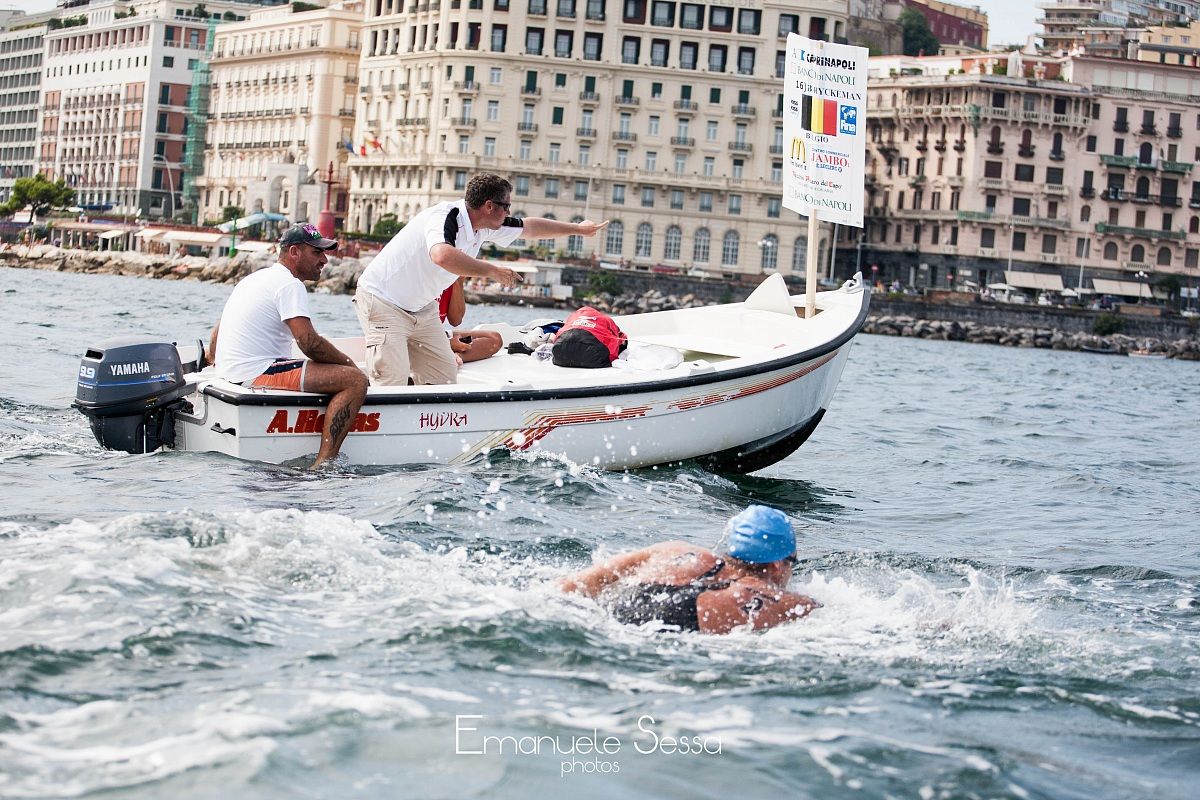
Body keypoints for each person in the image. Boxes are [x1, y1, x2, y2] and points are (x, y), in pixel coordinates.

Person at [354, 173, 608, 386]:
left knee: (443, 379)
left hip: (421, 309)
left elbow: (529, 227)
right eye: (506, 206)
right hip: (383, 302)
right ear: (489, 206)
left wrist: (577, 229)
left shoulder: (484, 224)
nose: (509, 211)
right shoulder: (447, 216)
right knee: (392, 382)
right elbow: (441, 254)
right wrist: (491, 270)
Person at [208, 223, 368, 468]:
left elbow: (217, 330)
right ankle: (324, 465)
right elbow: (309, 343)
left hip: (232, 372)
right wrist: (352, 366)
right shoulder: (289, 284)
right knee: (354, 381)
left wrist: (213, 360)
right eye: (316, 252)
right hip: (256, 371)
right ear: (294, 252)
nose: (324, 260)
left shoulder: (255, 278)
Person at [560, 505, 820, 634]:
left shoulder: (673, 551)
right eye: (792, 562)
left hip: (602, 621)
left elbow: (570, 586)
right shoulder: (788, 604)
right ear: (777, 564)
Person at [438, 277, 503, 367]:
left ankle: (456, 356)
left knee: (494, 339)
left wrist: (458, 280)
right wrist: (447, 343)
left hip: (439, 335)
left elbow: (456, 320)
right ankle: (447, 352)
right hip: (419, 337)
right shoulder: (425, 279)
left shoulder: (450, 279)